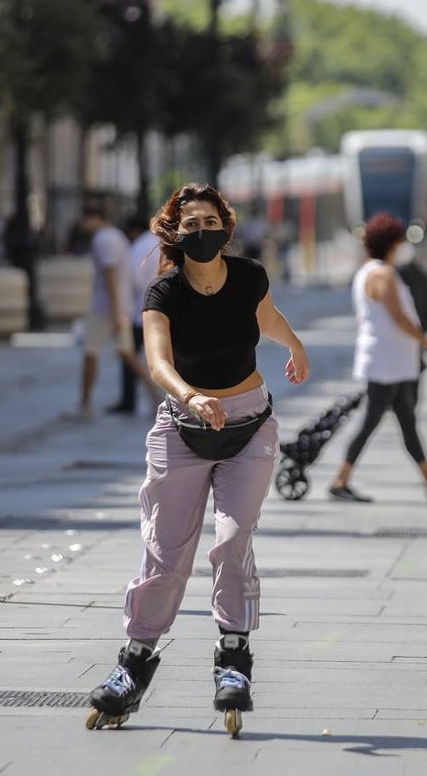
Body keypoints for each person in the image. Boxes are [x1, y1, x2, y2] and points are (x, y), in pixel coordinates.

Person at [87, 183, 310, 729]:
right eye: (191, 225)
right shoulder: (163, 293)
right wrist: (190, 395)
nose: (202, 232)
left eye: (211, 222)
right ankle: (135, 663)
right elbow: (158, 362)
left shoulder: (250, 277)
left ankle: (233, 658)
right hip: (183, 426)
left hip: (249, 425)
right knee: (165, 553)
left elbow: (267, 318)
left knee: (233, 541)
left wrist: (296, 345)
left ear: (226, 229)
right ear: (174, 232)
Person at [328, 213, 427, 504]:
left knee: (407, 420)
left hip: (392, 361)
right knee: (371, 421)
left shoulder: (369, 271)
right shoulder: (383, 274)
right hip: (386, 361)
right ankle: (340, 481)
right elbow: (399, 317)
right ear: (391, 243)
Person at [76, 204, 158, 418]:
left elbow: (110, 275)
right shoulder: (118, 237)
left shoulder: (103, 239)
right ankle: (155, 396)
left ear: (93, 217)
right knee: (129, 354)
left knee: (90, 353)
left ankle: (84, 405)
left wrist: (115, 312)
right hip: (119, 305)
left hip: (105, 307)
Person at [108, 214, 162, 415]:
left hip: (140, 310)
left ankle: (135, 399)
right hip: (160, 308)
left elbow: (133, 280)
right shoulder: (161, 243)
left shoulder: (138, 247)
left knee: (129, 355)